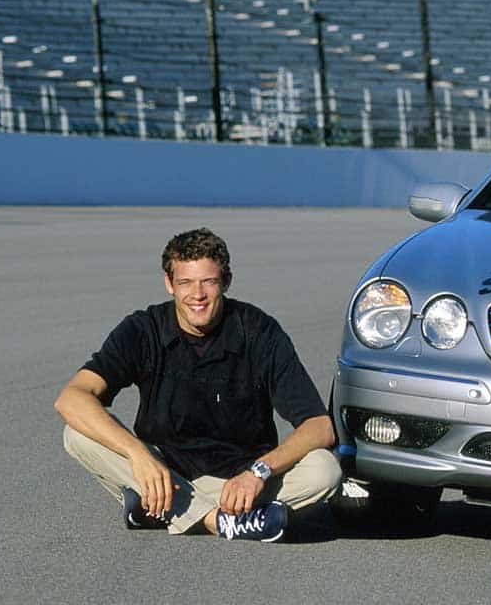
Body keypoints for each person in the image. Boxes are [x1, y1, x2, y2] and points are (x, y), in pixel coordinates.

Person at [55, 228, 340, 542]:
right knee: (77, 433)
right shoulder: (143, 329)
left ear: (226, 281)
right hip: (164, 475)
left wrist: (258, 473)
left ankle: (159, 511)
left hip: (241, 482)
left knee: (325, 470)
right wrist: (139, 455)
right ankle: (221, 521)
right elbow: (71, 398)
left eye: (209, 281)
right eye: (185, 282)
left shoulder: (259, 331)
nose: (198, 295)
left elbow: (319, 426)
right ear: (169, 284)